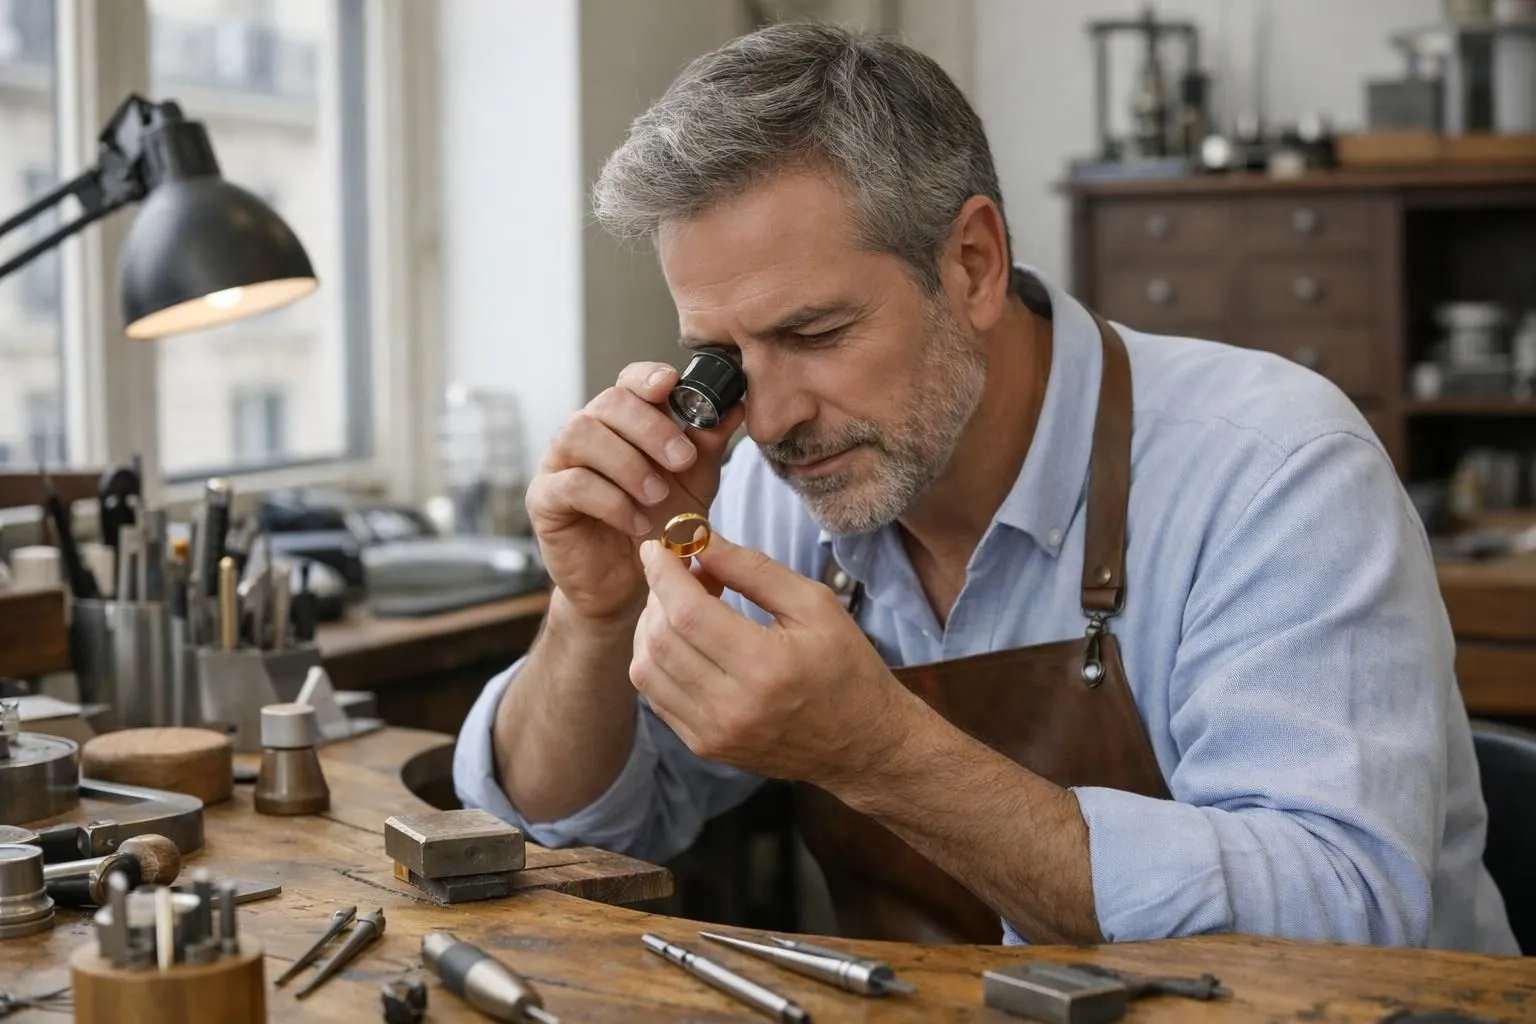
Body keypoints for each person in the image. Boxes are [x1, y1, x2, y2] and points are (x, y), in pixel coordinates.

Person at [453, 21, 1517, 953]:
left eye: (814, 334)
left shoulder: (1274, 470)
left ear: (972, 262)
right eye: (723, 356)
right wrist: (594, 614)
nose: (768, 421)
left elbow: (1343, 916)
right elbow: (574, 829)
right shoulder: (788, 487)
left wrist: (881, 754)